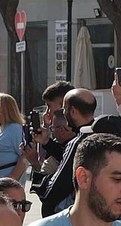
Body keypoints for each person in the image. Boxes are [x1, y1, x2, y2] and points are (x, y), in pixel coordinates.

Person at [36, 88, 98, 216]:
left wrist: (43, 180)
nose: (63, 113)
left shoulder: (78, 142)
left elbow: (54, 191)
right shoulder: (108, 136)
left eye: (64, 109)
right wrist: (47, 143)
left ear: (73, 111)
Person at [0, 93, 30, 181]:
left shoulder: (15, 129)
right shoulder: (1, 128)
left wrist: (13, 177)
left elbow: (25, 156)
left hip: (8, 182)